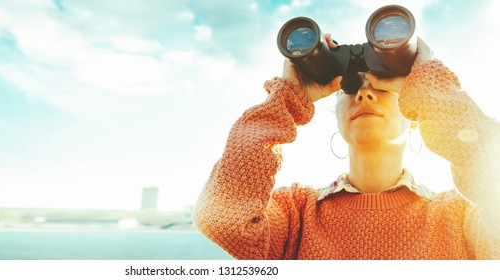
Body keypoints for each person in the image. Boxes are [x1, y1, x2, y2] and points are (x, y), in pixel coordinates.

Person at [192, 34, 500, 259]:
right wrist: (285, 100)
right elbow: (222, 219)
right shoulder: (297, 215)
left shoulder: (461, 219)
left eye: (381, 85)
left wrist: (434, 89)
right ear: (335, 115)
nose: (364, 95)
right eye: (349, 88)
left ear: (415, 109)